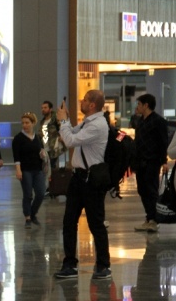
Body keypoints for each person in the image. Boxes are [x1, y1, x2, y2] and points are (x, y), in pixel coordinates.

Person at [54, 90, 112, 280]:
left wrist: (63, 121)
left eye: (85, 100)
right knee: (69, 221)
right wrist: (66, 122)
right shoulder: (88, 122)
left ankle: (103, 265)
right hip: (78, 178)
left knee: (96, 223)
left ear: (92, 105)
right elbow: (70, 134)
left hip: (92, 180)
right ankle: (70, 264)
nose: (82, 101)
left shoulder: (97, 125)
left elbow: (70, 140)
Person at [133, 93, 168, 233]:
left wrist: (164, 161)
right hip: (140, 162)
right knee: (142, 190)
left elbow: (163, 142)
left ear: (146, 105)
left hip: (152, 161)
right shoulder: (140, 121)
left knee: (151, 189)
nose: (137, 107)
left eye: (139, 104)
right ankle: (149, 218)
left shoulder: (158, 121)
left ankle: (154, 219)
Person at [12, 112, 46, 229]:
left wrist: (42, 154)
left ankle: (32, 213)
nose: (25, 125)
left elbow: (41, 150)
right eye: (23, 123)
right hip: (25, 170)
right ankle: (27, 218)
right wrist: (18, 170)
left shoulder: (37, 137)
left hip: (37, 169)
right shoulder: (18, 138)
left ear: (33, 123)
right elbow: (16, 156)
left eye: (27, 123)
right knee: (28, 194)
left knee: (41, 193)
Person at [39, 101, 64, 169]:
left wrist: (61, 137)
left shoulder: (55, 118)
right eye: (42, 108)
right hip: (45, 148)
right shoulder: (42, 122)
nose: (43, 109)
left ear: (50, 109)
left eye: (45, 107)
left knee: (51, 167)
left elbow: (63, 127)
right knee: (46, 168)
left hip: (54, 147)